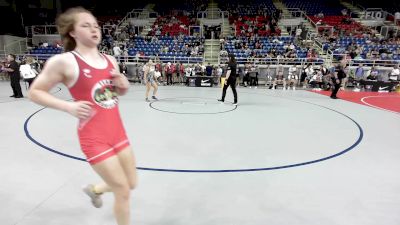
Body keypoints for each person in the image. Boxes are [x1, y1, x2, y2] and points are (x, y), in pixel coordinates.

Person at [27, 7, 137, 225]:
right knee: (122, 190)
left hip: (118, 132)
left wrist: (123, 86)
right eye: (86, 25)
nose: (94, 29)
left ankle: (94, 189)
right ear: (73, 32)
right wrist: (68, 107)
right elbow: (34, 92)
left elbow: (114, 93)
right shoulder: (65, 62)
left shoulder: (110, 60)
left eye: (96, 25)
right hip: (93, 137)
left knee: (131, 183)